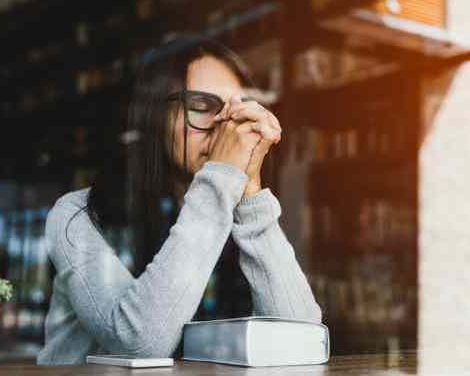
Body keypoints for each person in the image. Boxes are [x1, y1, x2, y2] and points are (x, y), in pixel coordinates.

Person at [36, 38, 322, 365]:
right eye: (202, 106)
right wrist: (222, 177)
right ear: (156, 115)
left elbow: (303, 339)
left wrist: (250, 198)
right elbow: (140, 343)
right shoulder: (75, 215)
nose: (227, 130)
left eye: (237, 112)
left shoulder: (226, 211)